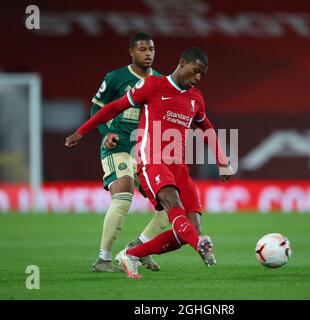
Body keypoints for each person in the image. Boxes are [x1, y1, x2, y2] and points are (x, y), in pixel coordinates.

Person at [66, 47, 234, 279]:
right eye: (195, 71)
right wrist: (82, 131)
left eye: (202, 75)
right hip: (152, 161)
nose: (197, 78)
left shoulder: (196, 98)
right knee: (172, 205)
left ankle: (132, 253)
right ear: (182, 62)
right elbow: (114, 107)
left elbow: (206, 127)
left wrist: (222, 161)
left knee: (191, 228)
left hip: (179, 166)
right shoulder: (152, 85)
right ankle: (200, 246)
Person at [89, 32, 171, 273]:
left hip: (146, 153)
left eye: (152, 49)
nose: (148, 54)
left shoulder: (161, 81)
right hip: (118, 148)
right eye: (143, 49)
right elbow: (97, 107)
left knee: (169, 205)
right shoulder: (116, 78)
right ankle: (103, 260)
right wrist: (105, 132)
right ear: (132, 52)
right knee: (123, 196)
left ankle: (138, 249)